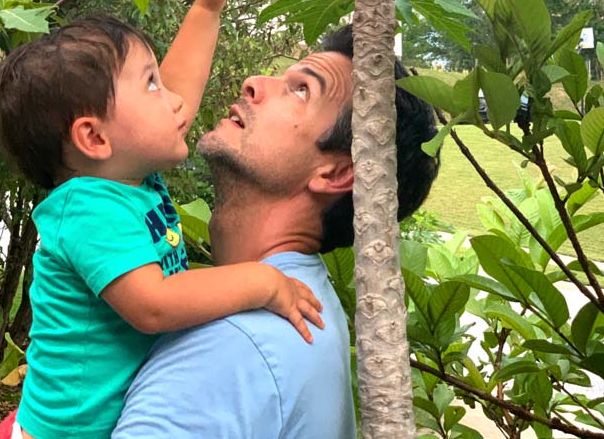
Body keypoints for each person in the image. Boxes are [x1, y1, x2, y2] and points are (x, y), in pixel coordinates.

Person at [0, 0, 323, 439]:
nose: (171, 98)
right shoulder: (86, 208)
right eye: (149, 83)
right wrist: (263, 283)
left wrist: (207, 6)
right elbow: (155, 304)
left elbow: (182, 87)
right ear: (95, 137)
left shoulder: (128, 172)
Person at [113, 23, 440, 438]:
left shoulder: (230, 349)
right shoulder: (310, 305)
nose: (253, 83)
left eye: (301, 90)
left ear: (337, 172)